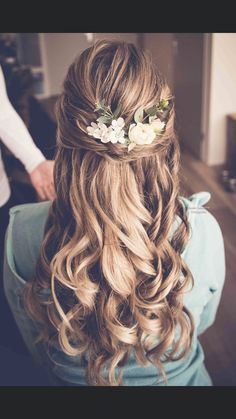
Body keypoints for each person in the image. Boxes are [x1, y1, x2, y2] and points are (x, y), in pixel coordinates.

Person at [3, 40, 225, 386]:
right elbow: (202, 322)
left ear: (65, 129)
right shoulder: (201, 230)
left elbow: (35, 342)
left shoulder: (20, 232)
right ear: (161, 133)